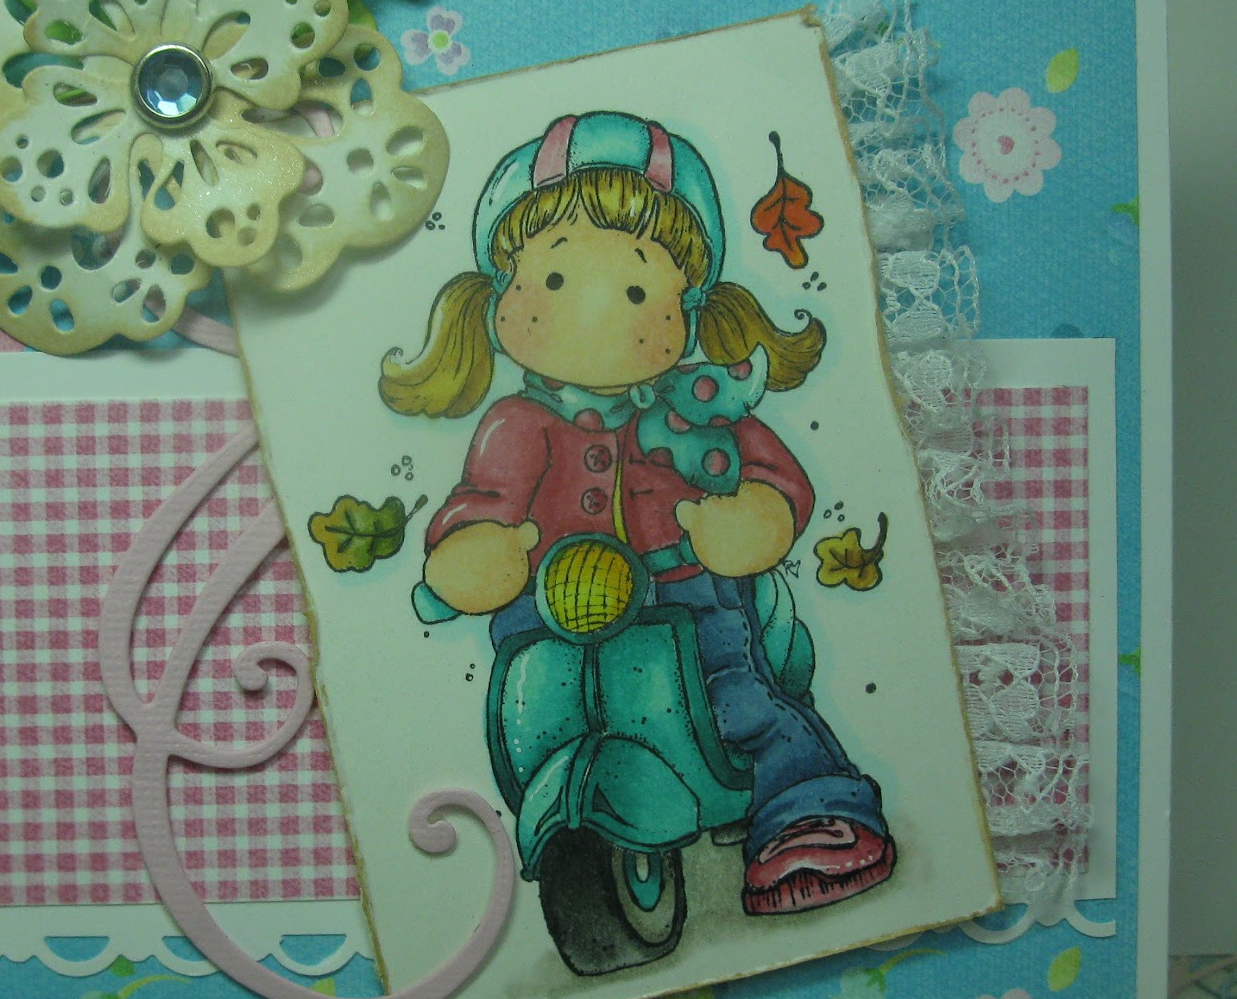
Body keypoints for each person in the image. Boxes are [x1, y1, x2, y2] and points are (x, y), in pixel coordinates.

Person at [380, 111, 894, 915]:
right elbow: (480, 503)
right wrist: (476, 552)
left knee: (735, 702)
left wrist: (749, 519)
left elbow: (771, 476)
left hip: (688, 596)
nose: (594, 314)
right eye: (554, 281)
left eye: (634, 290)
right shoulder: (515, 425)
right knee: (537, 710)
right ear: (502, 291)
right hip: (546, 609)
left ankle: (810, 806)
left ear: (689, 305)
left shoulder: (696, 406)